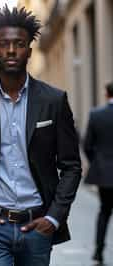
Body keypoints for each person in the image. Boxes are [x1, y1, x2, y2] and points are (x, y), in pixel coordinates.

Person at [0, 5, 81, 266]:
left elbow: (71, 166)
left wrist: (53, 217)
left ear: (29, 51)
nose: (11, 50)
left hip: (37, 226)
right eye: (4, 44)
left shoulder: (53, 101)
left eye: (19, 44)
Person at [84, 81, 113, 264]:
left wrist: (98, 163)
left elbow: (87, 145)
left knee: (104, 211)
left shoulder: (96, 115)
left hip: (104, 174)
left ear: (106, 94)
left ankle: (98, 252)